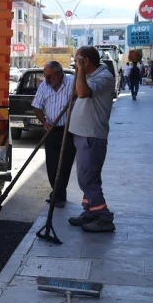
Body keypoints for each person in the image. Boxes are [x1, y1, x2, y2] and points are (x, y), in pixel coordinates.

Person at [67, 46, 117, 233]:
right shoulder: (89, 76)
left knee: (88, 179)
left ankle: (103, 217)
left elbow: (83, 93)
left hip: (92, 135)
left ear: (86, 61)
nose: (74, 62)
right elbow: (76, 90)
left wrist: (80, 70)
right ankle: (90, 211)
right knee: (85, 177)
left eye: (77, 59)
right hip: (82, 133)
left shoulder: (104, 77)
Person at [31, 61, 76, 208]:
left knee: (65, 165)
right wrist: (44, 122)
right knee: (52, 165)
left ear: (59, 74)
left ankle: (59, 196)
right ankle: (57, 192)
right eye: (45, 76)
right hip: (51, 130)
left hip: (68, 130)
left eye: (49, 76)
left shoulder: (72, 83)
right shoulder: (44, 86)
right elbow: (37, 107)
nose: (46, 79)